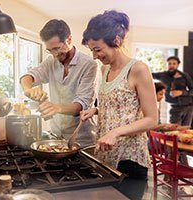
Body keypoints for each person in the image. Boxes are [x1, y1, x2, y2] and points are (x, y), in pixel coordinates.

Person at [81, 10, 157, 181]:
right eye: (92, 50)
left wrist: (115, 133)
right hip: (105, 154)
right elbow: (120, 106)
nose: (95, 56)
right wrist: (96, 110)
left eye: (98, 49)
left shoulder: (138, 69)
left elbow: (152, 119)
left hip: (129, 157)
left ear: (116, 41)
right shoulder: (104, 68)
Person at [20, 19, 98, 147]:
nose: (54, 54)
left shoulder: (89, 64)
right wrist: (28, 90)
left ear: (69, 40)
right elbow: (28, 77)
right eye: (50, 50)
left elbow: (81, 104)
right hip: (56, 137)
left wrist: (56, 108)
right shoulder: (51, 62)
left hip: (82, 140)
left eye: (57, 48)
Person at [152, 56, 193, 126]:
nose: (171, 65)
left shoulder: (184, 76)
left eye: (174, 64)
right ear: (167, 64)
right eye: (169, 63)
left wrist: (182, 92)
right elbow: (148, 75)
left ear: (177, 65)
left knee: (186, 131)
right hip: (175, 108)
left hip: (188, 107)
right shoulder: (162, 75)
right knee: (174, 131)